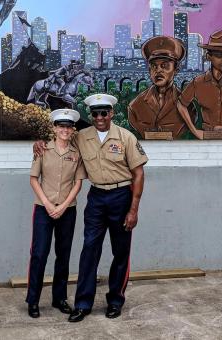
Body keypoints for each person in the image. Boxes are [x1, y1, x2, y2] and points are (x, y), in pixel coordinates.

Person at [34, 93, 148, 322]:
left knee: (120, 252)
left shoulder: (126, 137)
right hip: (96, 198)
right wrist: (40, 143)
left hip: (121, 196)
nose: (99, 117)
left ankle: (115, 300)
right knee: (89, 250)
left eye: (104, 112)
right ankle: (83, 303)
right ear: (90, 115)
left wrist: (133, 209)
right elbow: (61, 139)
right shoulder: (82, 137)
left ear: (111, 113)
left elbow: (138, 173)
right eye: (95, 113)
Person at [26, 109, 87, 318]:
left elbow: (78, 183)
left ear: (72, 130)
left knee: (63, 254)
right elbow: (34, 179)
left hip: (67, 210)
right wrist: (48, 204)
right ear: (54, 128)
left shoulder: (76, 154)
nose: (65, 130)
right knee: (39, 254)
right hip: (43, 209)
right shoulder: (42, 150)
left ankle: (59, 298)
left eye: (68, 127)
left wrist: (62, 206)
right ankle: (33, 300)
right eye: (61, 126)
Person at [177, 30, 222, 139]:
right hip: (206, 136)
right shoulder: (198, 83)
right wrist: (195, 131)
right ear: (209, 56)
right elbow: (181, 105)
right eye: (219, 55)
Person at [128, 36, 194, 139]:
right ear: (149, 70)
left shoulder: (189, 108)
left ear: (176, 69)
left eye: (164, 66)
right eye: (154, 66)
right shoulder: (135, 106)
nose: (158, 70)